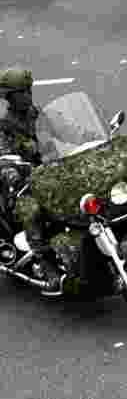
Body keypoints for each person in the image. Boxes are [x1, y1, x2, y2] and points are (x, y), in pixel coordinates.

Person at [0, 68, 61, 295]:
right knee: (31, 210)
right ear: (9, 97)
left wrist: (90, 138)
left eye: (28, 90)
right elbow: (3, 157)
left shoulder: (40, 115)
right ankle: (46, 266)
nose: (27, 95)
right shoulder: (4, 127)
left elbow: (67, 131)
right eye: (20, 92)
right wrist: (12, 173)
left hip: (50, 175)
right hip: (22, 186)